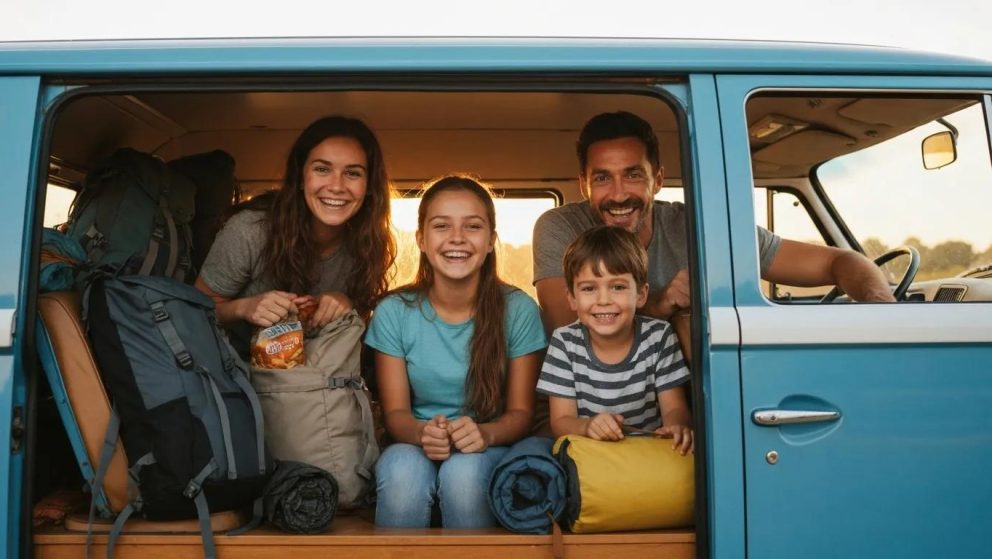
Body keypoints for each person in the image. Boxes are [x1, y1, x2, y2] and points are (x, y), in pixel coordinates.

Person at [532, 111, 895, 331]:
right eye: (601, 178)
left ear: (657, 179)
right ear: (583, 184)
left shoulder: (701, 225)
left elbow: (841, 261)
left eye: (632, 175)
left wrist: (882, 312)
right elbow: (571, 332)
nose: (618, 193)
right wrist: (661, 305)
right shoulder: (559, 228)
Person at [364, 175, 547, 529]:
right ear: (420, 239)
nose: (457, 239)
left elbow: (522, 413)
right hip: (413, 441)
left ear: (491, 241)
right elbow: (397, 413)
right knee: (401, 473)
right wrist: (421, 434)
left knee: (463, 476)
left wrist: (486, 435)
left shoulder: (519, 310)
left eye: (473, 226)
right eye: (441, 226)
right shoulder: (394, 311)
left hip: (487, 445)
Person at [196, 115, 396, 359]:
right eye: (322, 169)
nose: (336, 186)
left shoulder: (367, 242)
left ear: (369, 186)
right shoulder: (251, 230)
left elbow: (358, 327)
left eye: (353, 173)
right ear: (301, 178)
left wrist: (346, 303)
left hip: (320, 385)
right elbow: (194, 310)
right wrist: (243, 308)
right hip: (239, 377)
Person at [537, 226, 693, 454]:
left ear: (641, 294)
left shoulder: (659, 336)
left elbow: (675, 409)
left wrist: (677, 426)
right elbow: (561, 421)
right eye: (589, 288)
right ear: (572, 298)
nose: (603, 300)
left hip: (649, 452)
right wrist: (588, 426)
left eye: (618, 287)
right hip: (591, 453)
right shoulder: (565, 342)